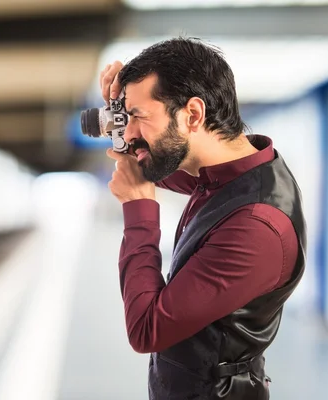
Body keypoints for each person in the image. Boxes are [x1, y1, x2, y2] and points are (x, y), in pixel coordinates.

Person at [101, 37, 307, 399]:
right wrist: (121, 112)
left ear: (192, 115)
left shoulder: (256, 226)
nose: (130, 132)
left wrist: (138, 209)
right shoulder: (225, 173)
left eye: (138, 117)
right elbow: (150, 163)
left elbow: (147, 329)